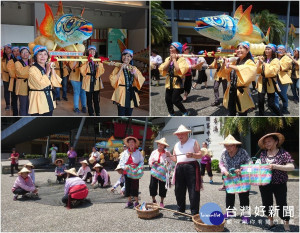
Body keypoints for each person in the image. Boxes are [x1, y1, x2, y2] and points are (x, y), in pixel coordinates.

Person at [257, 133, 295, 231]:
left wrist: (275, 166)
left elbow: (291, 167)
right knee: (267, 204)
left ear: (276, 141)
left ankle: (286, 223)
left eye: (269, 141)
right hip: (265, 184)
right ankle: (271, 222)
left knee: (282, 204)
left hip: (280, 184)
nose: (267, 144)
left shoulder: (283, 153)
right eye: (265, 142)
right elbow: (259, 167)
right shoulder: (263, 154)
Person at [168, 125, 203, 218]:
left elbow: (200, 155)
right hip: (179, 167)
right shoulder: (176, 145)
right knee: (179, 190)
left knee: (193, 190)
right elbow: (175, 159)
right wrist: (168, 155)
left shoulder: (193, 142)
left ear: (187, 133)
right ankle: (180, 209)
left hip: (191, 166)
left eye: (182, 134)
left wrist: (192, 154)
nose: (180, 136)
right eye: (178, 134)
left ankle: (194, 212)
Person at [219, 134, 252, 224]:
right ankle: (230, 213)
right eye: (226, 145)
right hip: (229, 177)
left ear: (235, 145)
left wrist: (242, 169)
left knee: (244, 196)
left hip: (242, 177)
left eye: (229, 145)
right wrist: (224, 171)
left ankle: (245, 215)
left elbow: (250, 162)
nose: (227, 147)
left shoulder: (242, 152)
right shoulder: (224, 153)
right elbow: (221, 163)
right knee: (229, 195)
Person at [219, 41, 256, 116]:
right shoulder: (235, 61)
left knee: (242, 113)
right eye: (238, 48)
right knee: (231, 111)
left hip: (241, 92)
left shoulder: (250, 62)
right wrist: (224, 63)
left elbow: (245, 70)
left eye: (241, 48)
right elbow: (226, 72)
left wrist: (229, 65)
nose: (238, 50)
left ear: (247, 50)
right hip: (232, 89)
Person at [109, 49, 145, 116]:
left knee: (129, 114)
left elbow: (141, 79)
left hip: (131, 93)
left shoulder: (134, 68)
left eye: (128, 56)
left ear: (131, 58)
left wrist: (134, 73)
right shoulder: (117, 68)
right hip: (121, 93)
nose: (126, 57)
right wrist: (121, 69)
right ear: (122, 57)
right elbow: (113, 79)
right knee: (121, 114)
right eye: (124, 55)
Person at [28, 45, 62, 116]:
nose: (43, 56)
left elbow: (56, 83)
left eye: (45, 54)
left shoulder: (47, 67)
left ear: (47, 56)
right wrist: (48, 72)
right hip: (38, 99)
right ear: (35, 56)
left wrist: (52, 69)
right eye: (40, 54)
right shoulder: (32, 69)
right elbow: (40, 85)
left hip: (49, 98)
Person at [159, 42, 189, 116]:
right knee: (167, 99)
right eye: (170, 47)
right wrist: (170, 60)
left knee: (175, 100)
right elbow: (163, 69)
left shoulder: (182, 59)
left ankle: (185, 111)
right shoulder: (168, 58)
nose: (170, 49)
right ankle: (171, 112)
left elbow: (179, 71)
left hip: (177, 81)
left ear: (177, 49)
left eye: (172, 47)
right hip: (169, 81)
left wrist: (175, 60)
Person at [256, 44, 281, 116]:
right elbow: (258, 71)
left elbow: (272, 72)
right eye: (266, 49)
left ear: (273, 51)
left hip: (270, 82)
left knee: (271, 103)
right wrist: (259, 63)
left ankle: (278, 113)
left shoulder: (275, 60)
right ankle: (261, 114)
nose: (266, 50)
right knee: (260, 101)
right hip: (262, 81)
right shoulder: (263, 58)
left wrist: (263, 63)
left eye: (269, 49)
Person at [119, 136, 144, 208]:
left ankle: (136, 201)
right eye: (129, 142)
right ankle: (129, 201)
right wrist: (124, 167)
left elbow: (141, 161)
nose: (131, 144)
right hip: (127, 171)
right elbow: (121, 162)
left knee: (135, 186)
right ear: (128, 144)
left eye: (132, 142)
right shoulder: (125, 152)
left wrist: (139, 167)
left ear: (135, 144)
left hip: (135, 172)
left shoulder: (138, 152)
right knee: (127, 186)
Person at [80, 45, 105, 116]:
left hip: (96, 81)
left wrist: (98, 66)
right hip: (88, 81)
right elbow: (82, 71)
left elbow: (102, 71)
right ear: (88, 52)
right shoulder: (85, 60)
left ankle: (98, 112)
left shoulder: (98, 60)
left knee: (96, 99)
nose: (92, 52)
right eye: (90, 50)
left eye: (94, 51)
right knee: (89, 98)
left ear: (95, 52)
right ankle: (91, 112)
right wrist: (88, 62)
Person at [149, 137, 172, 208]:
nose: (160, 145)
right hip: (155, 171)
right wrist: (153, 163)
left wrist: (167, 164)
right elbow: (150, 160)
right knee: (152, 186)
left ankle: (161, 202)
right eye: (159, 144)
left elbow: (170, 162)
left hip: (163, 173)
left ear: (164, 146)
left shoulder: (167, 153)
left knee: (162, 187)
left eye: (162, 144)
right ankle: (153, 200)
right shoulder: (154, 152)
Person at [276, 45, 293, 114]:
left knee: (283, 94)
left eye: (282, 49)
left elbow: (283, 67)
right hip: (274, 79)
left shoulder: (287, 58)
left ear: (285, 51)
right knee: (275, 95)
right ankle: (276, 108)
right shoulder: (274, 57)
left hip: (283, 79)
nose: (280, 50)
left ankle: (285, 107)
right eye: (279, 49)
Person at [14, 46, 31, 116]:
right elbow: (21, 73)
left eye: (26, 52)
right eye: (23, 52)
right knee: (23, 105)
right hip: (22, 86)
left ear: (29, 54)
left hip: (31, 85)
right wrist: (29, 66)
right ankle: (22, 118)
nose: (25, 54)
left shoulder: (31, 62)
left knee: (29, 105)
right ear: (20, 54)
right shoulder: (17, 63)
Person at [7, 46, 20, 116]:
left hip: (22, 83)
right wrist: (21, 74)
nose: (16, 53)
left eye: (18, 51)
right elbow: (11, 73)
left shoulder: (24, 61)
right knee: (14, 100)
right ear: (12, 53)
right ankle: (15, 115)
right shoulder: (10, 62)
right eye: (14, 51)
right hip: (15, 82)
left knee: (23, 101)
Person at [1, 44, 12, 111]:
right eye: (5, 49)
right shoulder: (2, 58)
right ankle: (7, 104)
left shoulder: (14, 57)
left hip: (13, 76)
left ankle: (13, 104)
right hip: (5, 76)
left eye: (8, 48)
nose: (7, 50)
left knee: (13, 91)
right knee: (6, 91)